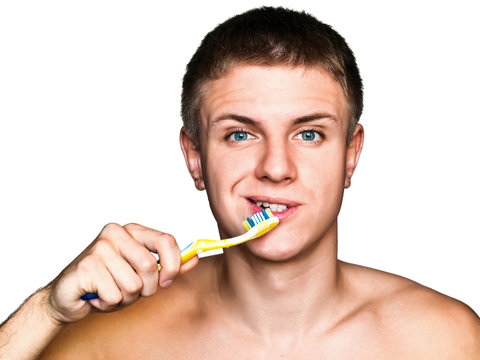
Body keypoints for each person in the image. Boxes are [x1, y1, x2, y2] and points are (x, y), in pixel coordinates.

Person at [1, 6, 479, 359]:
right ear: (195, 157)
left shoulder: (445, 342)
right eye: (241, 134)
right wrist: (46, 312)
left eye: (309, 133)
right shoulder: (100, 343)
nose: (275, 167)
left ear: (350, 154)